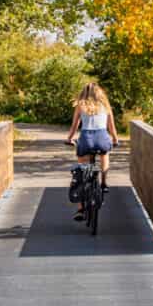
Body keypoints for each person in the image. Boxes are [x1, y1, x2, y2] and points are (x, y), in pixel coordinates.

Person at [66, 83, 119, 221]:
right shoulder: (105, 106)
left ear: (84, 93)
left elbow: (74, 126)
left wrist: (69, 139)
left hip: (86, 138)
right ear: (99, 93)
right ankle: (104, 183)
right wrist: (115, 139)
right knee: (104, 154)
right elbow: (111, 128)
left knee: (81, 171)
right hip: (102, 137)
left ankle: (80, 208)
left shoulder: (80, 105)